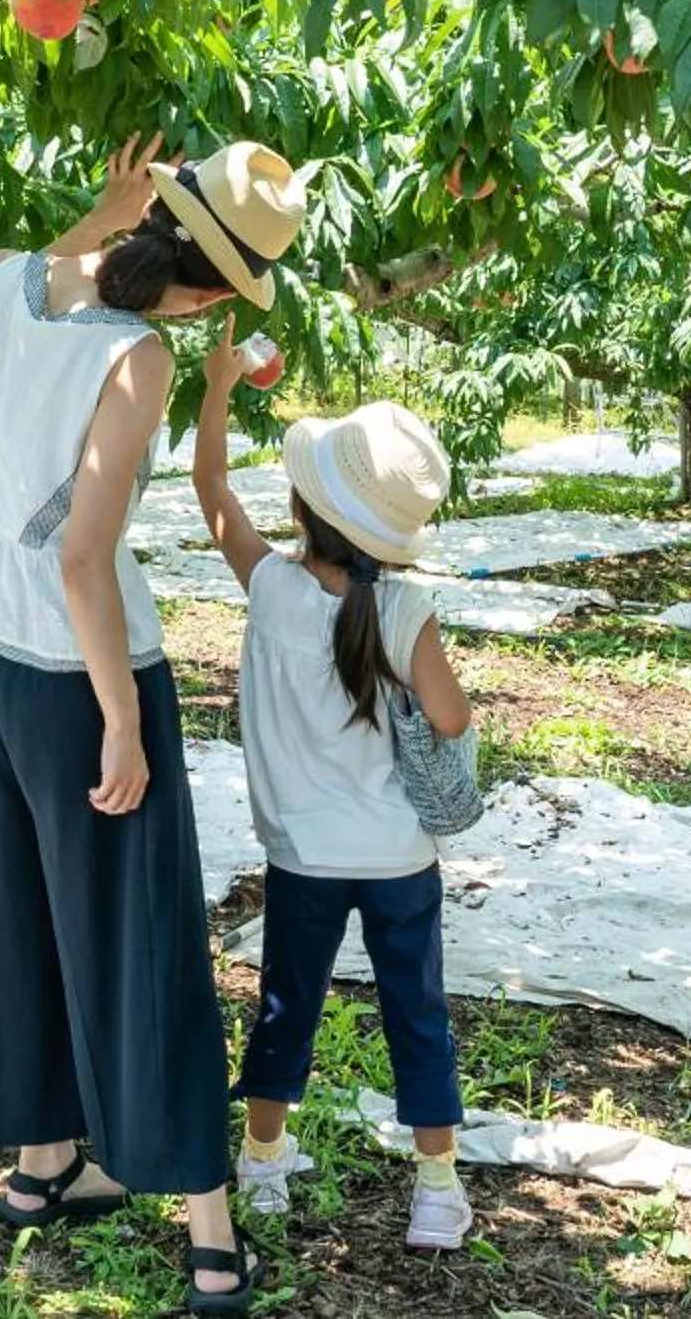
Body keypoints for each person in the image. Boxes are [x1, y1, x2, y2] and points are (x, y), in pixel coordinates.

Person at [0, 135, 308, 1315]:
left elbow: (55, 265)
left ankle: (41, 1166)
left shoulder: (8, 274)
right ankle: (206, 1224)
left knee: (10, 901)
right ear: (219, 292)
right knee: (138, 933)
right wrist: (122, 722)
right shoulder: (140, 361)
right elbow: (83, 557)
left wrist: (100, 212)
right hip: (76, 670)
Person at [188, 337, 477, 1253]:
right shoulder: (400, 612)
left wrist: (217, 391)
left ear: (305, 506)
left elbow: (212, 492)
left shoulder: (269, 586)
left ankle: (264, 1161)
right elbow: (453, 716)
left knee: (288, 1005)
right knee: (416, 1015)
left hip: (303, 857)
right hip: (399, 857)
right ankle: (436, 1190)